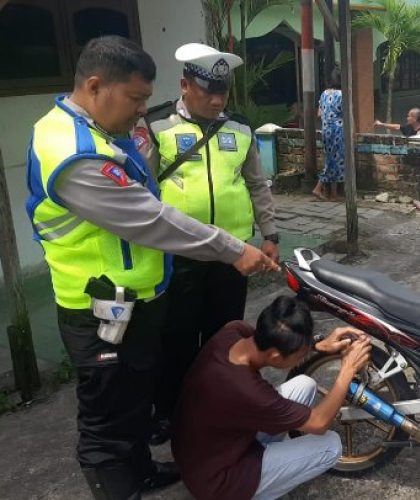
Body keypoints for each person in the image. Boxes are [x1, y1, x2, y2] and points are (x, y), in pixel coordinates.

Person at [24, 36, 276, 499]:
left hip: (131, 298)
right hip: (97, 305)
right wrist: (232, 249)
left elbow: (252, 184)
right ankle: (120, 489)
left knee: (134, 396)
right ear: (96, 86)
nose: (142, 111)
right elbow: (152, 219)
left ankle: (140, 469)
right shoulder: (76, 152)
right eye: (136, 99)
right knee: (107, 416)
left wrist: (261, 235)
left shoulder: (97, 131)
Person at [137, 42, 280, 443]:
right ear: (185, 85)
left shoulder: (240, 128)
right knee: (177, 337)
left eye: (223, 92)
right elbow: (142, 192)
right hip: (179, 256)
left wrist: (269, 235)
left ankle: (219, 404)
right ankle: (170, 411)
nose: (217, 100)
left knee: (224, 335)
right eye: (208, 92)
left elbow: (257, 184)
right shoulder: (156, 126)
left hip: (235, 255)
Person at [171, 296, 371, 500]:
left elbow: (273, 338)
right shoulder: (246, 389)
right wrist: (348, 369)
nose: (302, 357)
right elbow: (319, 423)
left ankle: (269, 461)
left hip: (203, 452)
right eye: (299, 354)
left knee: (305, 385)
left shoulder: (233, 332)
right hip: (217, 481)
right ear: (275, 357)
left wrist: (317, 345)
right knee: (330, 446)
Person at [313, 68, 345, 201]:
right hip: (338, 130)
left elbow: (319, 114)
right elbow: (346, 113)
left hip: (325, 129)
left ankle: (333, 194)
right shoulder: (341, 95)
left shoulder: (324, 94)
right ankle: (318, 187)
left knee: (331, 159)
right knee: (336, 161)